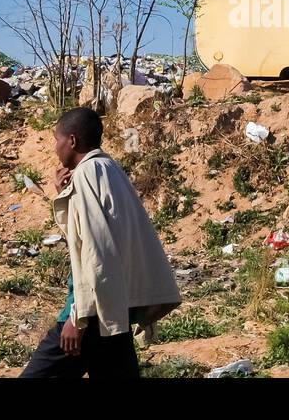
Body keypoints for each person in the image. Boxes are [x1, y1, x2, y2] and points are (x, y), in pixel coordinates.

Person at [19, 107, 181, 378]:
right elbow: (92, 236)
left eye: (56, 139)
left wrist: (77, 320)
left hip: (91, 314)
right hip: (115, 311)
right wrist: (64, 195)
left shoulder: (85, 175)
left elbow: (96, 252)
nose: (55, 148)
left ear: (72, 141)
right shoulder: (109, 169)